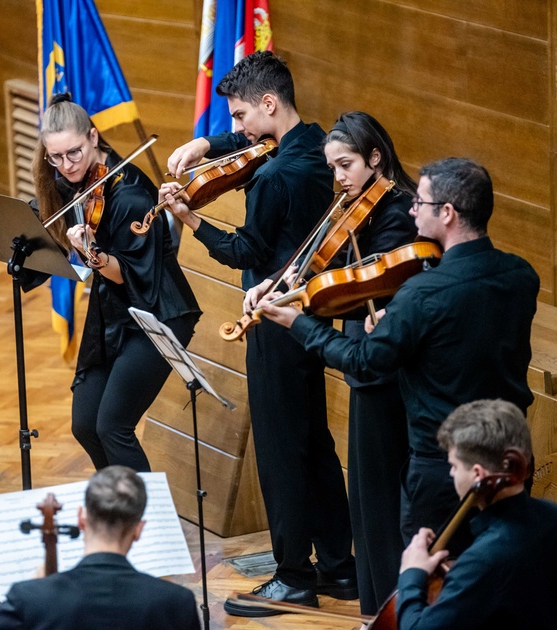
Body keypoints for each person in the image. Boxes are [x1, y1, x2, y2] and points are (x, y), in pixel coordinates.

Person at [159, 51, 356, 616]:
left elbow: (244, 251)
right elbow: (256, 144)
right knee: (314, 442)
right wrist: (209, 146)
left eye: (240, 116)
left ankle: (293, 575)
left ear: (269, 104)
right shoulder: (319, 145)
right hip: (311, 319)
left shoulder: (272, 178)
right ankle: (339, 568)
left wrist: (191, 220)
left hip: (273, 322)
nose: (235, 128)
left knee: (278, 450)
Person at [258, 157, 540, 544]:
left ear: (447, 213)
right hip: (511, 456)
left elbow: (364, 362)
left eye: (419, 203)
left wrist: (297, 322)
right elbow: (464, 344)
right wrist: (405, 331)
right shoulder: (522, 275)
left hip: (446, 469)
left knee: (434, 586)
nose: (411, 209)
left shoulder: (422, 294)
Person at [32, 94, 200, 472]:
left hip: (160, 310)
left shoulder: (130, 195)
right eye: (54, 157)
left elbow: (129, 273)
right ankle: (121, 512)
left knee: (113, 426)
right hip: (116, 310)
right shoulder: (71, 180)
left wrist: (92, 254)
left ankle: (150, 525)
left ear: (94, 137)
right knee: (85, 425)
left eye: (73, 153)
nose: (65, 166)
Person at [301, 111, 418, 617]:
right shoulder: (357, 209)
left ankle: (390, 610)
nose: (339, 178)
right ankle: (376, 610)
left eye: (346, 165)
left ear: (375, 157)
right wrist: (287, 287)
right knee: (366, 500)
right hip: (365, 367)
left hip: (387, 373)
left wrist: (305, 303)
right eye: (332, 168)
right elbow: (327, 274)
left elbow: (363, 285)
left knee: (380, 500)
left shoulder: (396, 213)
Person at [395, 399, 557, 629]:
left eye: (453, 465)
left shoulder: (484, 560)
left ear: (477, 474)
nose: (451, 473)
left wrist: (411, 574)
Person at [0, 466, 201, 630]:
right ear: (138, 529)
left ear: (81, 519)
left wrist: (38, 587)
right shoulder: (176, 602)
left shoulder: (30, 597)